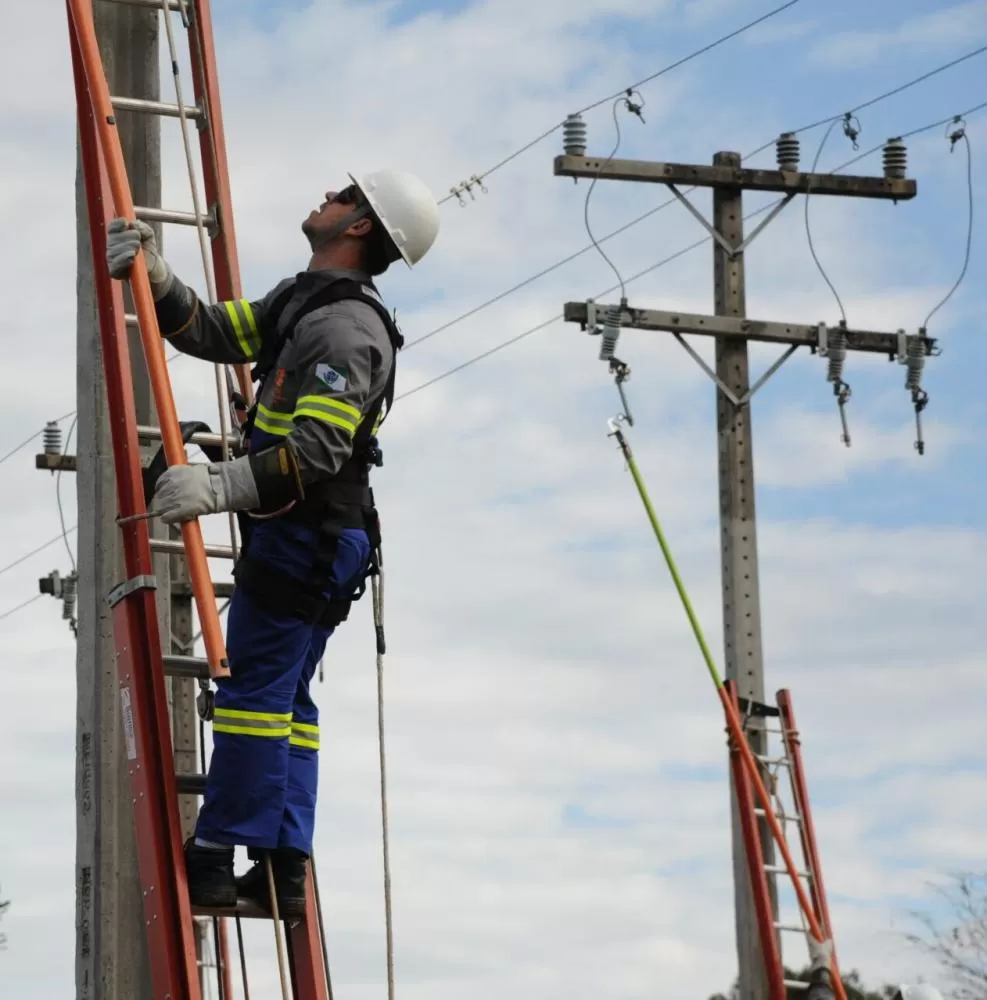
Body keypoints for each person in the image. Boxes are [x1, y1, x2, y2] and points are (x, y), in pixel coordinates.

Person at [105, 169, 440, 916]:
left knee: (253, 695)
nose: (328, 194)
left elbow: (318, 449)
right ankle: (283, 863)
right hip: (311, 535)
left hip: (309, 535)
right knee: (285, 697)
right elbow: (213, 331)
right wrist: (155, 277)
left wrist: (218, 485)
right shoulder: (303, 299)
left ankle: (219, 851)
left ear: (359, 226)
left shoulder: (346, 329)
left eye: (345, 194)